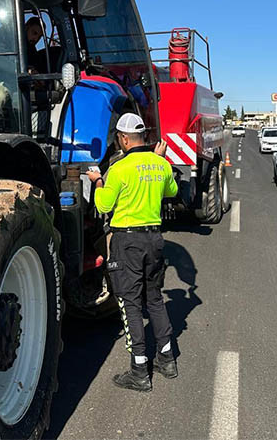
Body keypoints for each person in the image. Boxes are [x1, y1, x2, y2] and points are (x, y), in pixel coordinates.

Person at [87, 113, 178, 392]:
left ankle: (139, 370)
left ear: (124, 139)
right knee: (154, 298)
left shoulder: (120, 169)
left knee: (130, 303)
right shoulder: (160, 165)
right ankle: (167, 359)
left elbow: (103, 206)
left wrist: (97, 180)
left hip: (128, 242)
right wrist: (161, 161)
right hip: (154, 239)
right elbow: (171, 191)